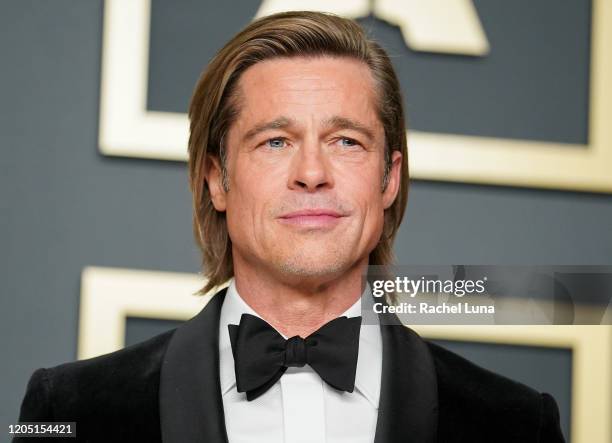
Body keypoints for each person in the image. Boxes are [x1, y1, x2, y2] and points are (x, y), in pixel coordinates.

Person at [15, 11, 565, 443]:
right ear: (216, 179)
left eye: (346, 141)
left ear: (389, 178)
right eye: (275, 141)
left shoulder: (518, 425)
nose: (311, 174)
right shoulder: (67, 413)